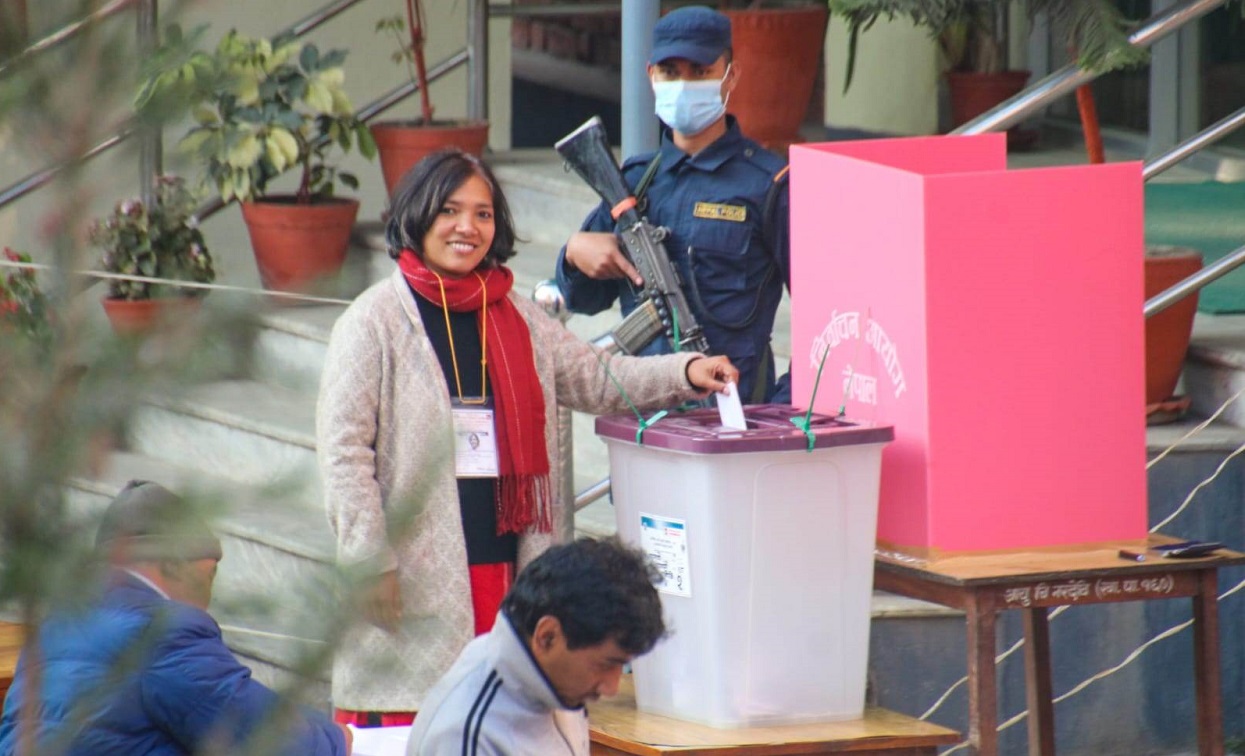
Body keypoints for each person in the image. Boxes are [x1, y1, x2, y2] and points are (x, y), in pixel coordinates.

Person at [317, 149, 736, 725]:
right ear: (416, 214)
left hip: (507, 559)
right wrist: (368, 561)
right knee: (417, 720)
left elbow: (595, 377)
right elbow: (344, 456)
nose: (468, 227)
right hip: (414, 568)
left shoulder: (515, 312)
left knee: (499, 718)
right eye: (450, 210)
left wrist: (683, 372)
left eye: (483, 214)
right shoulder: (371, 321)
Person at [0, 480, 351, 756]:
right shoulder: (166, 633)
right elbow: (274, 741)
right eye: (210, 576)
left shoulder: (56, 627)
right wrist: (339, 737)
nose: (209, 599)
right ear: (172, 564)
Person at [556, 5, 791, 405]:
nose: (683, 85)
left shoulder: (768, 184)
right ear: (651, 76)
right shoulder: (632, 181)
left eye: (700, 72)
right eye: (670, 72)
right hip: (643, 414)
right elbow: (584, 300)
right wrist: (574, 256)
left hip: (735, 418)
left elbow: (826, 309)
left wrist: (782, 408)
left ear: (730, 75)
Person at [405, 537, 665, 756]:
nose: (611, 687)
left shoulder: (552, 679)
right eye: (606, 664)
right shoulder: (469, 734)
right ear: (547, 636)